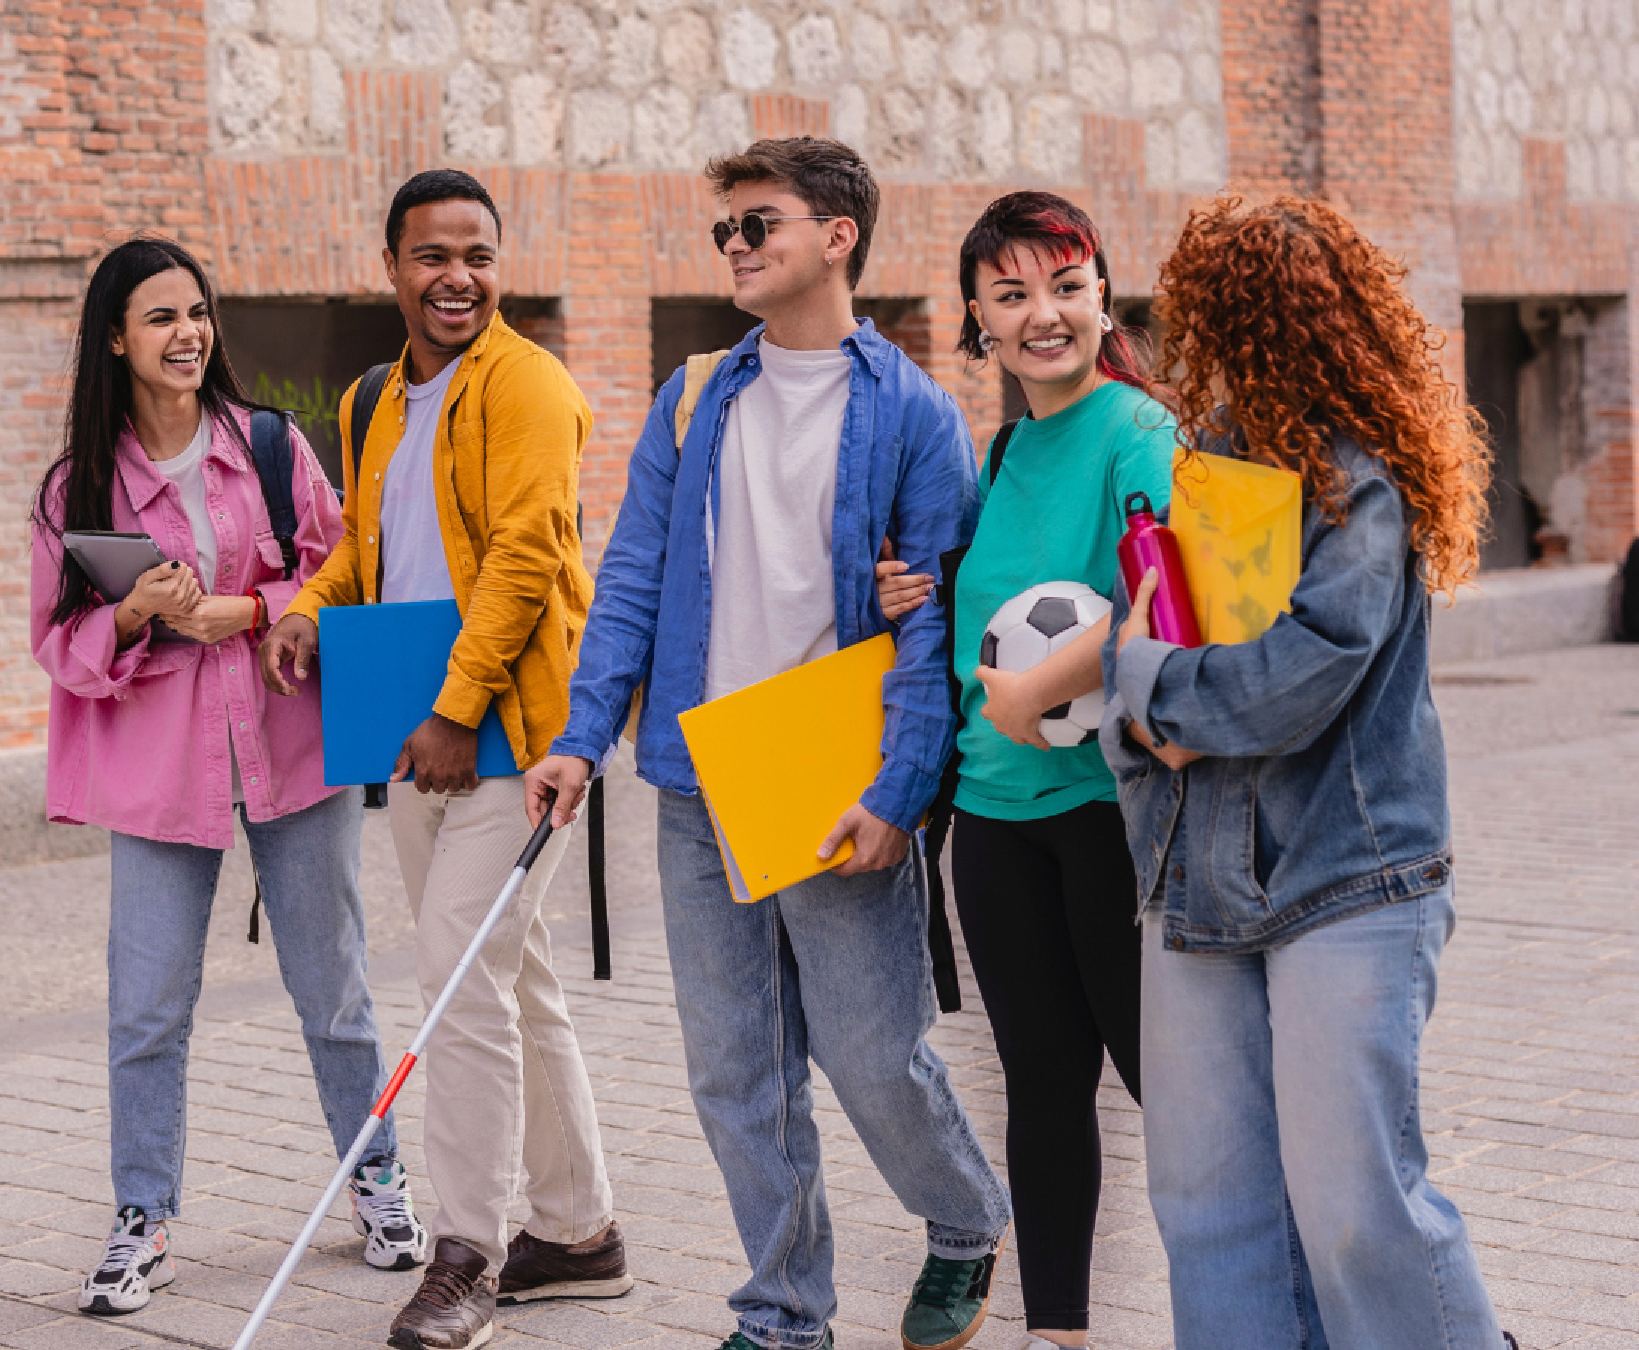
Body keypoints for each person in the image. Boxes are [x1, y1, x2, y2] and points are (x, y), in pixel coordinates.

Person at [527, 137, 1012, 1350]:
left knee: (870, 1053)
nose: (736, 247)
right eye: (725, 231)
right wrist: (582, 738)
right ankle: (784, 1310)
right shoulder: (696, 396)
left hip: (829, 770)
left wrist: (900, 792)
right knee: (735, 1072)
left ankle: (963, 1219)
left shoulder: (912, 413)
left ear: (838, 236)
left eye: (760, 224)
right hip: (697, 777)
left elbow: (932, 624)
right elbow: (630, 577)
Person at [1103, 196, 1516, 1350]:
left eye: (1225, 323)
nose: (1207, 350)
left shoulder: (1359, 481)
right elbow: (1133, 641)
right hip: (1196, 886)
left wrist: (1158, 695)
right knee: (1208, 1211)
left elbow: (1304, 672)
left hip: (1349, 881)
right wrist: (1144, 702)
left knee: (1353, 1210)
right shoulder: (1203, 470)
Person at [260, 169, 625, 1350]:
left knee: (460, 984)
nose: (456, 276)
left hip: (508, 737)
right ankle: (579, 1235)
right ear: (392, 269)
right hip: (413, 730)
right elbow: (367, 553)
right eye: (432, 255)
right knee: (514, 981)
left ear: (497, 265)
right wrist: (311, 609)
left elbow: (525, 558)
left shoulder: (529, 386)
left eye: (476, 254)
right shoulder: (380, 400)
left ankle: (464, 1251)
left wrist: (461, 709)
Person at [31, 237, 426, 1317]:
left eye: (196, 311)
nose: (187, 333)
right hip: (159, 779)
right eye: (160, 317)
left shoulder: (268, 446)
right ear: (116, 337)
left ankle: (377, 1177)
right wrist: (133, 612)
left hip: (293, 754)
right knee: (147, 1009)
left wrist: (250, 610)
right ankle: (142, 1216)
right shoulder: (80, 484)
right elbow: (59, 645)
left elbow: (340, 569)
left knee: (333, 990)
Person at [878, 193, 1171, 1350]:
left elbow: (1165, 596)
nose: (1043, 314)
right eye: (1012, 296)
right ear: (978, 322)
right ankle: (1057, 1333)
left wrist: (1043, 692)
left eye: (1065, 285)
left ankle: (1281, 1298)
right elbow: (1001, 605)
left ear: (1104, 294)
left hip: (1109, 812)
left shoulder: (1140, 433)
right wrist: (920, 593)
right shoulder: (999, 448)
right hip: (996, 821)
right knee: (1042, 1090)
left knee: (1166, 1082)